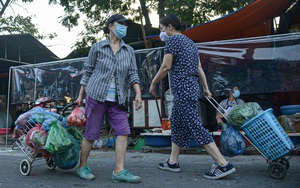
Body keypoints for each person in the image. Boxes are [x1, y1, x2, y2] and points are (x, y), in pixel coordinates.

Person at [149, 14, 236, 180]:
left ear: (169, 28)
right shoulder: (190, 43)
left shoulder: (172, 41)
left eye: (161, 29)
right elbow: (199, 68)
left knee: (195, 126)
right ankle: (173, 162)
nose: (161, 33)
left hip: (182, 89)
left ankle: (223, 164)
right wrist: (205, 88)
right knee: (177, 122)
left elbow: (166, 66)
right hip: (191, 88)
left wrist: (153, 83)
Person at [76, 14, 143, 183]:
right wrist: (80, 95)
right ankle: (82, 166)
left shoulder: (129, 51)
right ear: (111, 26)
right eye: (121, 24)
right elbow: (88, 72)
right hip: (96, 95)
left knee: (124, 132)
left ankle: (119, 171)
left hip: (119, 98)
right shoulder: (97, 48)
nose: (124, 28)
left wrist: (138, 94)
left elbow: (133, 74)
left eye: (125, 26)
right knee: (91, 134)